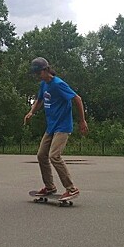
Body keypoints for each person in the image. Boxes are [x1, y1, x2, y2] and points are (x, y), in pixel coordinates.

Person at [24, 57, 88, 201]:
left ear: (46, 70)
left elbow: (77, 99)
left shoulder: (58, 84)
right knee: (41, 155)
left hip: (63, 126)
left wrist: (82, 121)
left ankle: (71, 189)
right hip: (51, 127)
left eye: (38, 73)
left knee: (54, 156)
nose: (37, 76)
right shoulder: (43, 85)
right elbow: (39, 100)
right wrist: (31, 112)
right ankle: (50, 186)